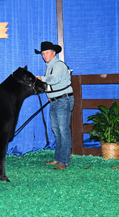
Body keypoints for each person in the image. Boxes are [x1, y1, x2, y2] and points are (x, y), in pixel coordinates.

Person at [35, 41, 74, 170]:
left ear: (54, 53)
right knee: (57, 131)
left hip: (63, 101)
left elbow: (55, 79)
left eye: (46, 53)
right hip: (55, 101)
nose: (44, 55)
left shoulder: (58, 65)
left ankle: (65, 161)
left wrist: (42, 79)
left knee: (63, 131)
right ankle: (58, 158)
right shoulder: (49, 66)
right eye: (42, 53)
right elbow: (53, 83)